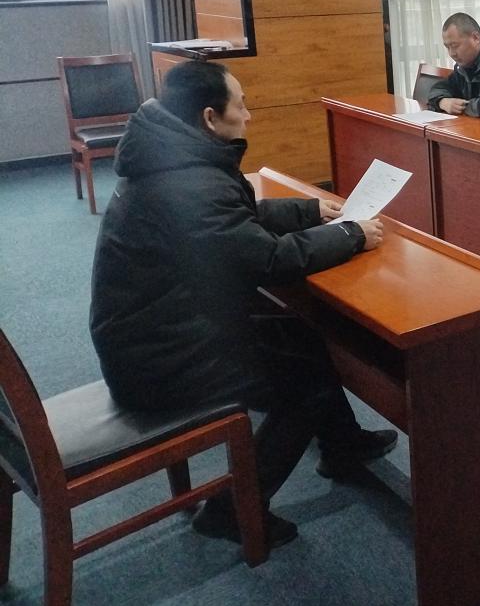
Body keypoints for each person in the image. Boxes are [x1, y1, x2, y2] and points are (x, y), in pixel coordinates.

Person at [90, 60, 396, 549]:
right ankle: (232, 511)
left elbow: (233, 216)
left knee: (300, 334)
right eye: (242, 105)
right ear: (210, 118)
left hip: (163, 330)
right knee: (305, 385)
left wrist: (308, 209)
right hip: (159, 362)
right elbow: (267, 260)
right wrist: (350, 235)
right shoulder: (187, 181)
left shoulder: (171, 156)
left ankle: (342, 444)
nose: (249, 115)